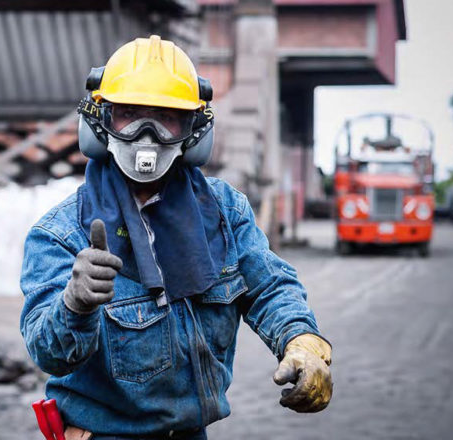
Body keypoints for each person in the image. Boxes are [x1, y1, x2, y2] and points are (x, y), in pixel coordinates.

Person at [20, 35, 332, 440]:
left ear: (195, 131)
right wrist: (74, 305)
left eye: (167, 117)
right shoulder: (61, 234)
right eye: (128, 114)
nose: (146, 135)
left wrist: (300, 338)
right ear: (99, 123)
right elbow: (48, 355)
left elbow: (269, 287)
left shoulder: (224, 212)